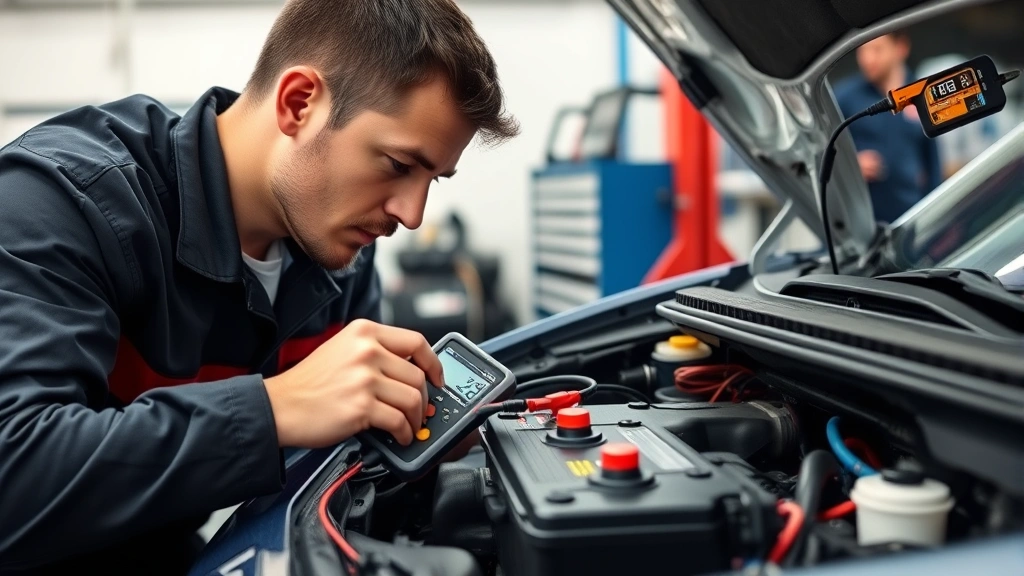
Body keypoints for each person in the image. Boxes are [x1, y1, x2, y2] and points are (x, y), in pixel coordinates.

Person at [0, 0, 518, 573]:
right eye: (398, 164)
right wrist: (274, 410)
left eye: (433, 180)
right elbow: (12, 469)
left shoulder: (340, 258)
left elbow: (334, 468)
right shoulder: (62, 201)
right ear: (300, 103)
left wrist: (417, 450)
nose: (412, 215)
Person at [834, 31, 943, 224]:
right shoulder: (844, 97)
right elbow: (823, 153)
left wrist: (935, 214)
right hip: (862, 222)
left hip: (912, 218)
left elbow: (932, 163)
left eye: (877, 49)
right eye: (862, 50)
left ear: (900, 48)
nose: (868, 59)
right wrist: (850, 164)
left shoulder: (922, 94)